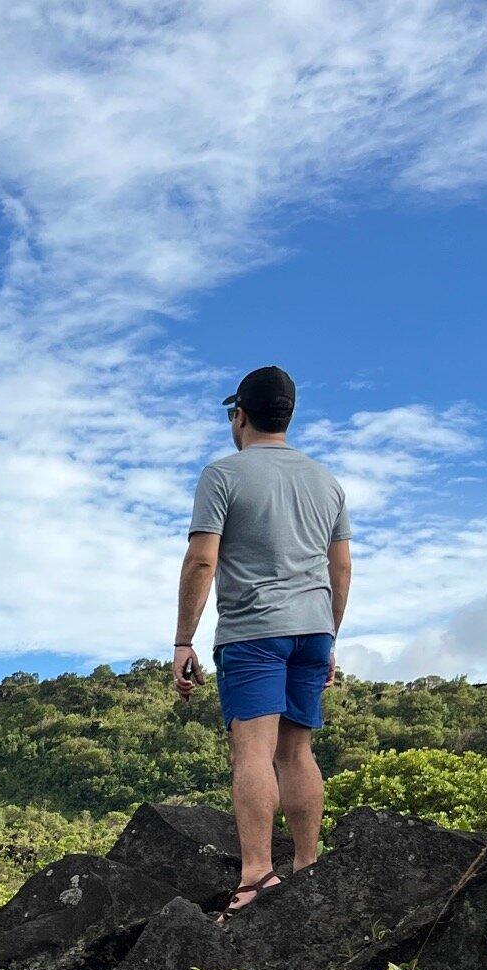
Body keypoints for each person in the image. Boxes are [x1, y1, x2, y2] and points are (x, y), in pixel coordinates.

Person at [171, 365, 352, 923]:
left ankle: (255, 877)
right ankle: (307, 866)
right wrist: (329, 638)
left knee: (251, 752)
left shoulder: (222, 476)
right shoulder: (327, 482)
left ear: (240, 415)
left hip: (253, 633)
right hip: (313, 630)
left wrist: (183, 642)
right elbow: (340, 567)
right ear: (289, 416)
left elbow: (203, 558)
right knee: (296, 752)